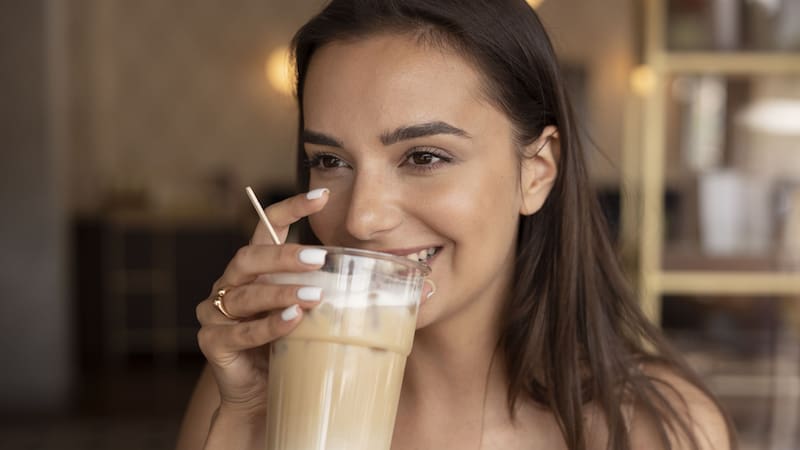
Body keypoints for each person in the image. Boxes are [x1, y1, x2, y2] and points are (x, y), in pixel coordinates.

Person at [177, 1, 735, 449]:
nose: (362, 218)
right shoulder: (257, 390)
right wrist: (247, 425)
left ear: (536, 172)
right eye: (331, 161)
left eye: (424, 157)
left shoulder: (655, 430)